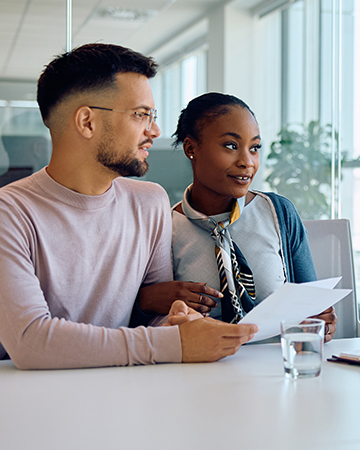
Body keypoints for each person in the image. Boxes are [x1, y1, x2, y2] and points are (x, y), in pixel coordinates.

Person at [0, 43, 257, 370]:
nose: (155, 131)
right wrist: (174, 342)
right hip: (32, 404)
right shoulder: (10, 213)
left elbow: (148, 321)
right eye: (141, 115)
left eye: (153, 116)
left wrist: (174, 321)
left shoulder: (149, 201)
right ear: (87, 122)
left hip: (126, 391)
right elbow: (29, 342)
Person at [135, 92, 337, 341]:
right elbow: (143, 321)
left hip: (275, 369)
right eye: (231, 146)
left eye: (254, 148)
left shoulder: (279, 213)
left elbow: (313, 311)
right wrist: (147, 301)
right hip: (201, 370)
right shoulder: (164, 226)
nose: (247, 162)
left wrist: (321, 324)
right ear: (190, 148)